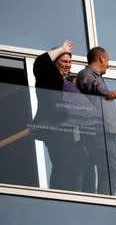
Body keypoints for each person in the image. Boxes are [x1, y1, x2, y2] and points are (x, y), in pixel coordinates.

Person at [31, 40, 88, 191]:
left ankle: (74, 197)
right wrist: (62, 48)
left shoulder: (64, 82)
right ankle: (59, 197)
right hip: (54, 126)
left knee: (75, 165)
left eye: (70, 62)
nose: (68, 65)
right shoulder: (47, 76)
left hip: (67, 129)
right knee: (62, 165)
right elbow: (41, 62)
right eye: (64, 61)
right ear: (54, 62)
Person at [77, 46, 116, 195]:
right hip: (99, 132)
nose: (108, 64)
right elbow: (91, 85)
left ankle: (95, 200)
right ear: (101, 58)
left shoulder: (97, 77)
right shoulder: (86, 73)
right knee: (112, 172)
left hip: (105, 132)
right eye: (108, 60)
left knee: (101, 170)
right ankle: (105, 203)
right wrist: (106, 92)